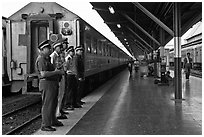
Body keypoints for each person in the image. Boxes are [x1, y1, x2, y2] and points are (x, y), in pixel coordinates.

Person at [35, 40, 64, 131]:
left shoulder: (46, 58)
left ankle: (52, 120)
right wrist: (57, 72)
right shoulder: (41, 59)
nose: (50, 50)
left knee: (53, 103)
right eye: (48, 48)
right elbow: (43, 74)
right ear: (42, 49)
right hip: (46, 83)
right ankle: (45, 124)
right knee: (48, 104)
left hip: (51, 83)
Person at [50, 41, 68, 120]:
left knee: (61, 95)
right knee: (58, 96)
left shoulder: (59, 56)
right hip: (57, 78)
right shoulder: (53, 56)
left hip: (61, 76)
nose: (61, 49)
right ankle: (57, 113)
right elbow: (52, 68)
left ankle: (59, 111)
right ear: (56, 48)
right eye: (59, 47)